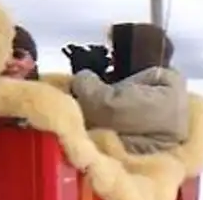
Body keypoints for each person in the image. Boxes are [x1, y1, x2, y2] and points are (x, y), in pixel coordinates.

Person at [62, 22, 190, 154]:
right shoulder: (152, 83)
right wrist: (99, 75)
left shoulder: (162, 94)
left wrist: (85, 72)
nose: (112, 61)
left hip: (137, 168)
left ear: (135, 56)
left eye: (116, 54)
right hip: (123, 161)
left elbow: (105, 109)